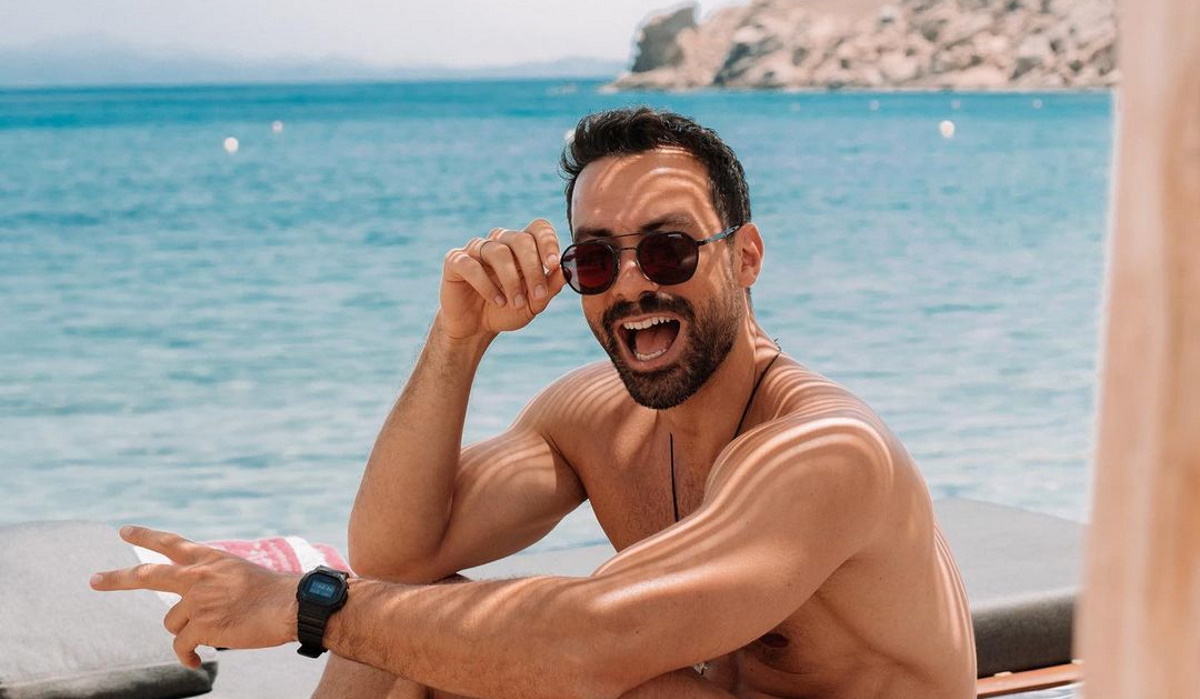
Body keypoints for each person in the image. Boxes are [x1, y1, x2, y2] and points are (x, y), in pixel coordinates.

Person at [92, 107, 977, 698]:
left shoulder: (824, 451)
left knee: (508, 648)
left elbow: (592, 645)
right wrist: (458, 340)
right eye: (596, 259)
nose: (631, 285)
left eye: (667, 250)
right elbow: (398, 553)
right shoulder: (598, 418)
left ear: (744, 257)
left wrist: (303, 603)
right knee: (409, 622)